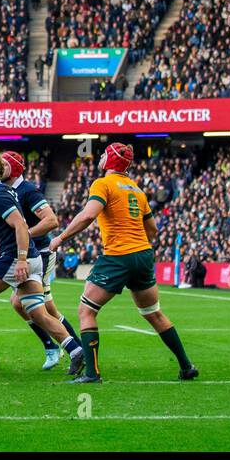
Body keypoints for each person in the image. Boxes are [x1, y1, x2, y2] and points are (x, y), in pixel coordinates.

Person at [51, 143, 198, 383]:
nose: (99, 156)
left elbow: (89, 215)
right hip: (143, 254)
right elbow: (152, 229)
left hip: (119, 255)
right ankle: (186, 366)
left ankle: (92, 373)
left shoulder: (103, 184)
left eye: (103, 154)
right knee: (154, 314)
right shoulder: (136, 189)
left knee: (86, 310)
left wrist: (61, 237)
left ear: (110, 160)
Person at [0, 151, 85, 376]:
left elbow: (19, 225)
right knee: (38, 312)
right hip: (30, 257)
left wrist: (21, 259)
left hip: (15, 257)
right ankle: (76, 351)